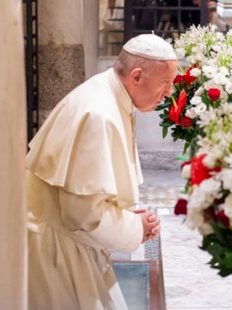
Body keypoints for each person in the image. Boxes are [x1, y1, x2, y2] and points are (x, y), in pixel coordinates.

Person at [26, 34, 178, 309]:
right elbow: (82, 214)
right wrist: (135, 228)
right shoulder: (99, 114)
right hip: (55, 252)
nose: (169, 93)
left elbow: (89, 194)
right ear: (137, 76)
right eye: (166, 83)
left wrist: (124, 215)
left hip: (70, 242)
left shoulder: (109, 95)